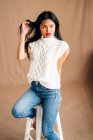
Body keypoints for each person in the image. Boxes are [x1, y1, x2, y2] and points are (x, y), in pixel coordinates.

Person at [12, 11, 70, 140]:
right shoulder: (33, 45)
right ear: (39, 27)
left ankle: (41, 120)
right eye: (44, 26)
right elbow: (20, 57)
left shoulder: (62, 46)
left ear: (56, 27)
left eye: (51, 26)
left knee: (47, 131)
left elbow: (58, 67)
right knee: (17, 111)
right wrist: (23, 34)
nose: (48, 29)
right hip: (35, 89)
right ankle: (37, 117)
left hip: (52, 92)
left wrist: (57, 89)